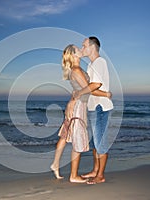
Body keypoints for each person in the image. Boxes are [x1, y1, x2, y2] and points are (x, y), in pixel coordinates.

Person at [50, 44, 111, 183]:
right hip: (79, 107)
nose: (81, 50)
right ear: (73, 55)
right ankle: (73, 176)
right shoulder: (76, 70)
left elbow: (79, 90)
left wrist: (72, 99)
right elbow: (88, 89)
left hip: (77, 104)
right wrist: (106, 94)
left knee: (66, 134)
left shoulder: (76, 69)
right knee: (77, 139)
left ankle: (55, 164)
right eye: (78, 49)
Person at [74, 36, 114, 184]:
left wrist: (80, 92)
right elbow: (92, 89)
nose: (82, 48)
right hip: (94, 106)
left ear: (92, 47)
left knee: (100, 143)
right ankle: (95, 170)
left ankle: (100, 175)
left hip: (100, 107)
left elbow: (95, 85)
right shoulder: (92, 65)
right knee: (95, 143)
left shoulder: (99, 62)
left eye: (84, 46)